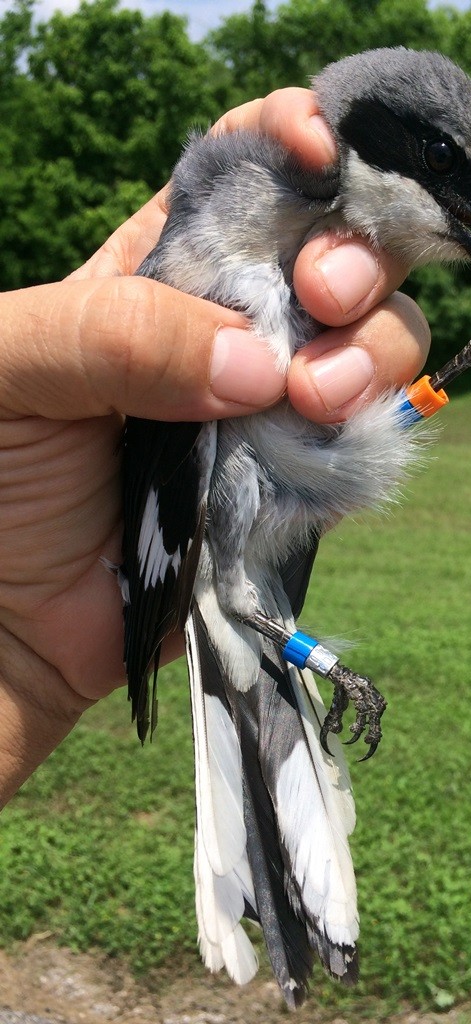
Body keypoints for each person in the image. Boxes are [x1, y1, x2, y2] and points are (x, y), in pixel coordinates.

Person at [0, 87, 430, 807]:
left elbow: (336, 462)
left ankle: (433, 392)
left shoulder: (270, 287)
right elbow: (216, 586)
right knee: (237, 607)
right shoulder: (188, 310)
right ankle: (316, 663)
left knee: (333, 423)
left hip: (278, 482)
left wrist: (26, 665)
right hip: (200, 561)